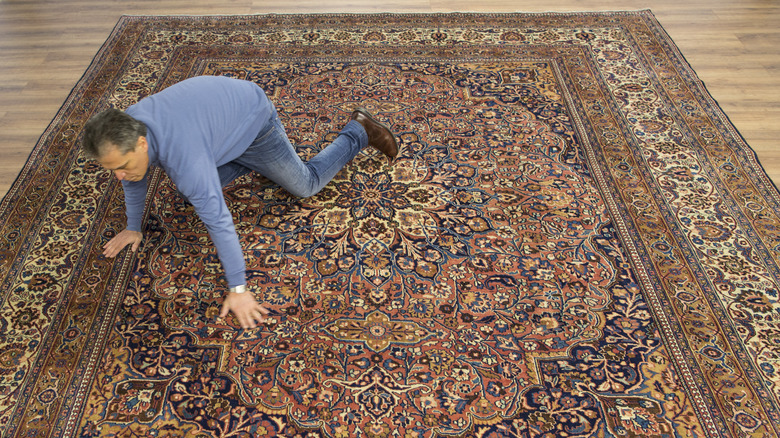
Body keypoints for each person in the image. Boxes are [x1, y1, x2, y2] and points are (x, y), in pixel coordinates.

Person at [82, 75, 398, 329]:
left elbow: (219, 221)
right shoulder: (130, 127)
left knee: (305, 185)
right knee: (189, 189)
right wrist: (133, 227)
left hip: (253, 121)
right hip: (217, 124)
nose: (119, 177)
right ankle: (254, 162)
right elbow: (133, 177)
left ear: (141, 143)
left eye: (121, 166)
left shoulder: (187, 161)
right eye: (112, 170)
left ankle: (359, 131)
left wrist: (238, 290)